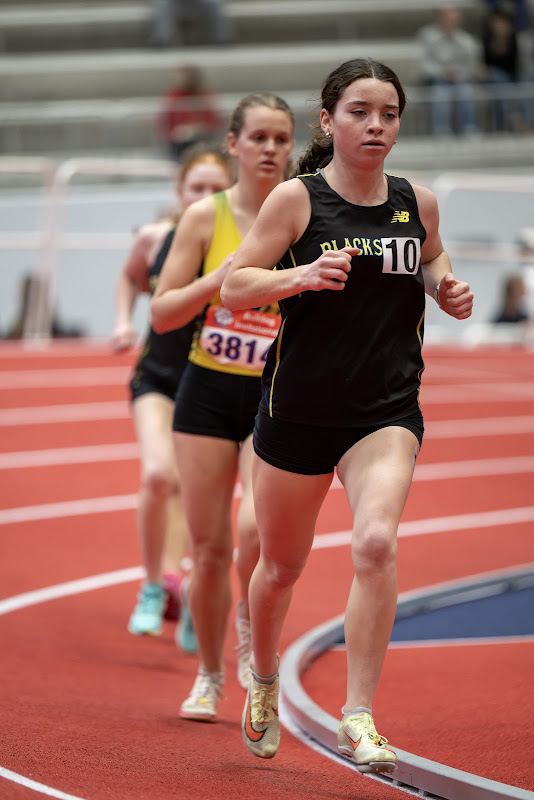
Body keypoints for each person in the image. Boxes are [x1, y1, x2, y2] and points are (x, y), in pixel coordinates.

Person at [221, 57, 474, 771]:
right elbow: (235, 286)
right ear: (328, 121)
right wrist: (300, 275)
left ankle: (358, 715)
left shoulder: (417, 202)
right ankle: (263, 677)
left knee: (375, 545)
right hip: (298, 411)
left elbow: (432, 256)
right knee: (279, 568)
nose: (376, 125)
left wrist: (445, 285)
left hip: (385, 411)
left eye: (389, 114)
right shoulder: (295, 200)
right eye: (360, 112)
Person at [150, 92, 295, 721]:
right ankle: (209, 675)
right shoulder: (205, 217)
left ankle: (248, 629)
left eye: (281, 139)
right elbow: (162, 313)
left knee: (255, 534)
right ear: (233, 143)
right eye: (258, 137)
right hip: (207, 392)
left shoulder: (303, 210)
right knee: (208, 550)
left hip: (274, 395)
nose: (270, 149)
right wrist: (220, 281)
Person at [110, 145, 233, 650]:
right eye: (196, 188)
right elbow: (129, 276)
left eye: (215, 189)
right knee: (159, 475)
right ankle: (151, 586)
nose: (204, 196)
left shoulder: (241, 244)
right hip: (157, 378)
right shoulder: (155, 237)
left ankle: (188, 586)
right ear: (179, 192)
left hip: (210, 382)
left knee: (193, 492)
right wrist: (123, 321)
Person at [416, 5, 480, 136]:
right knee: (441, 94)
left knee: (466, 93)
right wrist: (442, 73)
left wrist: (458, 74)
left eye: (455, 19)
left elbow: (471, 65)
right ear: (439, 19)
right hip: (435, 79)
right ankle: (441, 130)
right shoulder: (427, 35)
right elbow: (423, 64)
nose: (451, 22)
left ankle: (469, 128)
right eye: (448, 19)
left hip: (460, 79)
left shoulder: (466, 40)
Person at [156, 66, 224, 162]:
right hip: (179, 142)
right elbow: (165, 124)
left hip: (202, 138)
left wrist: (198, 129)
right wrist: (178, 132)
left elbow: (214, 121)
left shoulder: (205, 96)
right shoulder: (172, 97)